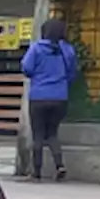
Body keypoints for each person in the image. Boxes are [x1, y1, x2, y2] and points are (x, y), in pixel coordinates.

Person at [21, 18, 77, 181]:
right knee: (52, 133)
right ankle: (59, 165)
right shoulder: (67, 50)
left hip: (39, 96)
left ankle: (36, 172)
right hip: (60, 97)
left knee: (38, 134)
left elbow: (26, 68)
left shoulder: (36, 48)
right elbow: (72, 73)